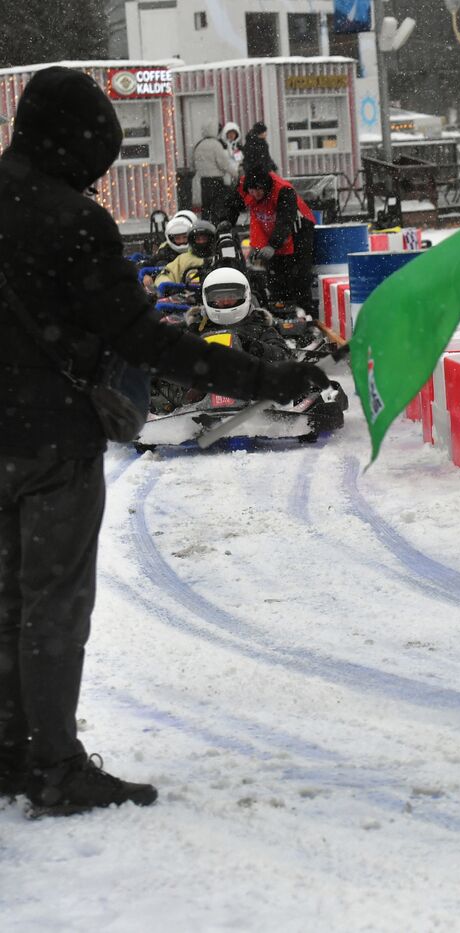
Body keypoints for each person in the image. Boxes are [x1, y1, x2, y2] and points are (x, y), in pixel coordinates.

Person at [0, 66, 330, 817]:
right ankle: (54, 766)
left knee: (4, 598)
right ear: (74, 143)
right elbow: (146, 341)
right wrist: (266, 378)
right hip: (54, 442)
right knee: (51, 606)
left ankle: (8, 751)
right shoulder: (73, 222)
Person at [234, 169, 317, 312]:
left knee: (298, 275)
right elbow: (252, 218)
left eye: (259, 189)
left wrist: (273, 245)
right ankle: (279, 307)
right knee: (274, 275)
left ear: (266, 187)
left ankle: (304, 310)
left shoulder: (284, 191)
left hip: (298, 231)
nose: (255, 193)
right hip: (272, 232)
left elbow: (285, 221)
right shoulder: (244, 189)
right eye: (252, 190)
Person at [152, 219, 218, 290]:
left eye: (204, 239)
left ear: (211, 240)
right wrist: (170, 287)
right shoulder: (183, 259)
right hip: (190, 297)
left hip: (219, 297)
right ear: (192, 241)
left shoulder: (219, 257)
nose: (201, 242)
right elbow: (164, 275)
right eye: (198, 239)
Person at [190, 121, 238, 214]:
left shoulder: (199, 144)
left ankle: (206, 224)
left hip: (204, 180)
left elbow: (193, 162)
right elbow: (224, 164)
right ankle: (216, 225)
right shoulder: (216, 145)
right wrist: (236, 174)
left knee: (206, 205)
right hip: (216, 180)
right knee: (217, 206)